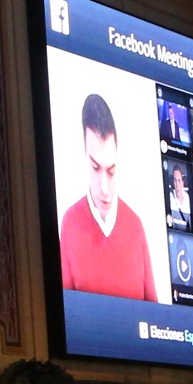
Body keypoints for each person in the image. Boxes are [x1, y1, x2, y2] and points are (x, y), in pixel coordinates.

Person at [58, 94, 155, 300]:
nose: (104, 188)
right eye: (95, 168)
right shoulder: (70, 223)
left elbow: (158, 317)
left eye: (111, 171)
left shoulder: (135, 225)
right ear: (84, 154)